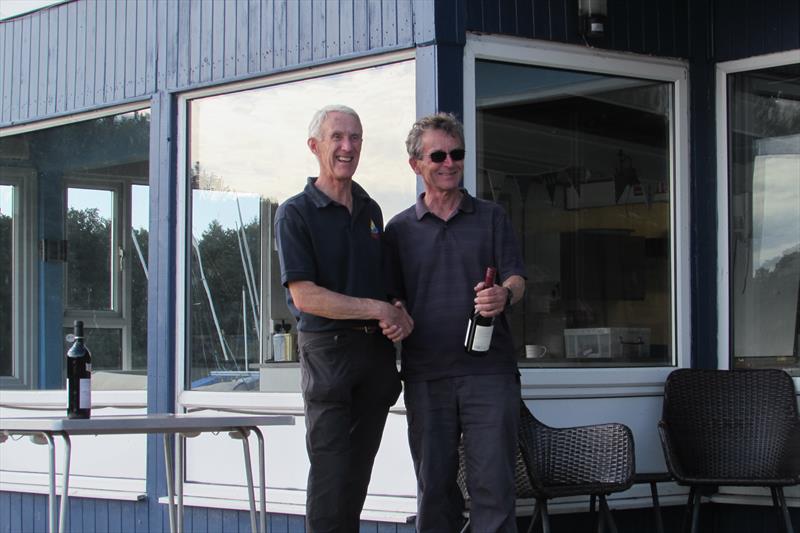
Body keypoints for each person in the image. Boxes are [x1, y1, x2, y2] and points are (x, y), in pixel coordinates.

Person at [383, 112, 526, 532]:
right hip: (427, 376)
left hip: (489, 374)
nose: (449, 163)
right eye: (438, 155)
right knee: (435, 491)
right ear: (416, 165)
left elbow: (517, 278)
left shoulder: (491, 216)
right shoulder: (398, 230)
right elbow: (394, 297)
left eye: (457, 154)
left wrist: (505, 294)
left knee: (494, 488)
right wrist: (394, 314)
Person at [274, 104, 414, 533]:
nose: (347, 146)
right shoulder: (295, 212)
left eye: (355, 138)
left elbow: (389, 289)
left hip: (373, 356)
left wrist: (399, 315)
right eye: (337, 137)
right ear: (315, 146)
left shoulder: (371, 210)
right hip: (329, 357)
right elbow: (305, 296)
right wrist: (376, 308)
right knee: (331, 477)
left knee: (356, 478)